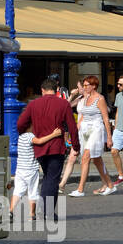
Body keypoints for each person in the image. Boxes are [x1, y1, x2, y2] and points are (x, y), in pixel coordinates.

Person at [18, 77, 80, 221]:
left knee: (47, 177)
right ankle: (47, 211)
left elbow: (21, 124)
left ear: (42, 90)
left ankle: (44, 208)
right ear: (56, 90)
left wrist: (28, 135)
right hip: (56, 146)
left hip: (39, 146)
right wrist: (76, 146)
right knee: (52, 178)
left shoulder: (33, 104)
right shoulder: (63, 104)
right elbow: (72, 127)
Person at [69, 77, 116, 197]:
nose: (84, 88)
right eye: (83, 85)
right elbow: (79, 113)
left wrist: (109, 138)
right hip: (85, 130)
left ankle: (80, 189)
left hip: (96, 128)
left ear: (94, 86)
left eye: (86, 85)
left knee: (86, 157)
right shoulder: (85, 98)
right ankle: (110, 185)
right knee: (97, 159)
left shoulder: (100, 99)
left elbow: (106, 119)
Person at [10, 128, 59, 222]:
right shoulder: (30, 136)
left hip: (20, 169)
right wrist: (53, 134)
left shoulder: (20, 137)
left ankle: (10, 211)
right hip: (31, 169)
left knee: (18, 191)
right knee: (32, 192)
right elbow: (40, 141)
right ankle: (31, 214)